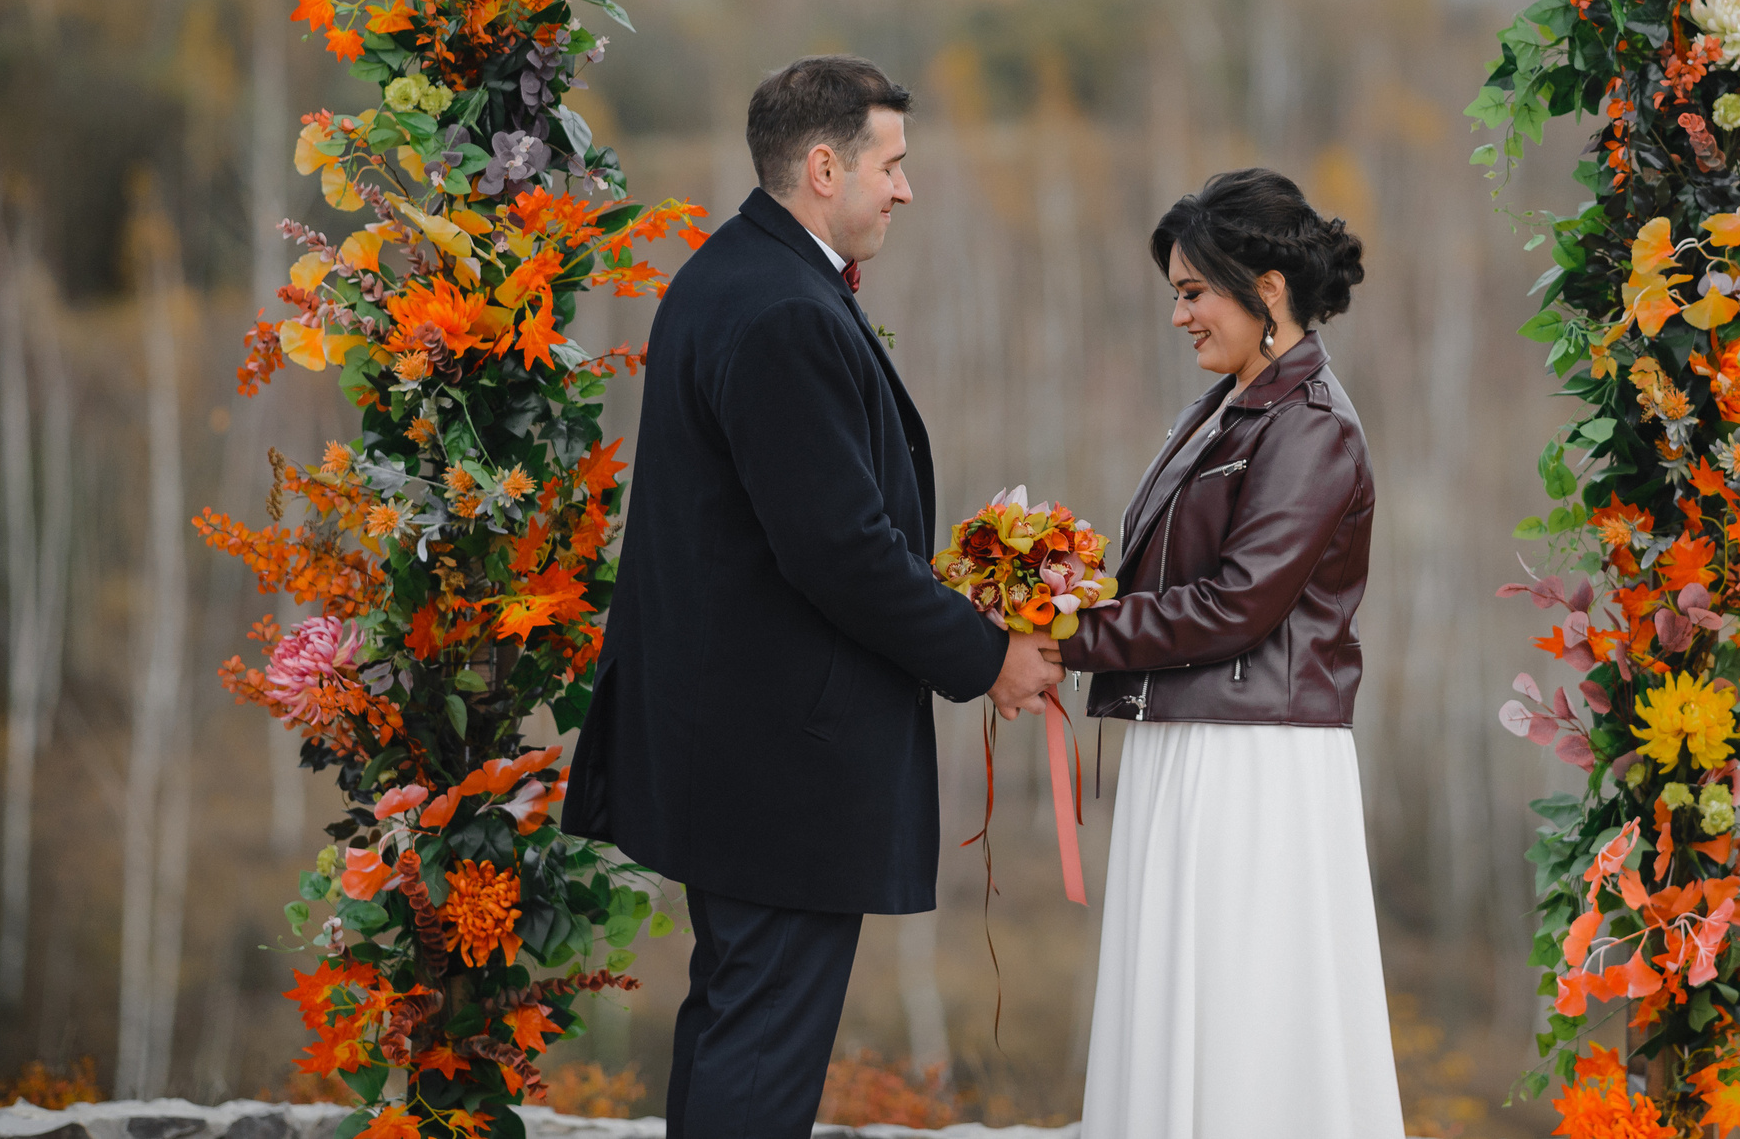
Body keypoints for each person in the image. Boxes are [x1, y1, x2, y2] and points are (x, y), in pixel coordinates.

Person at [562, 55, 1065, 1139]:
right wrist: (986, 653)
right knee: (761, 1042)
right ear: (824, 163)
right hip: (777, 758)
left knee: (736, 1019)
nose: (905, 188)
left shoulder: (733, 272)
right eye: (892, 163)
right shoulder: (783, 309)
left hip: (735, 746)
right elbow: (838, 548)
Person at [1053, 167, 1407, 1139]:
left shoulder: (1311, 426)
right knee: (1181, 993)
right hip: (1196, 735)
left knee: (1245, 1004)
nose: (1180, 316)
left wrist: (1067, 638)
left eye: (1192, 291)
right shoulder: (1234, 403)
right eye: (1178, 293)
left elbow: (1235, 605)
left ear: (1269, 289)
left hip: (1255, 757)